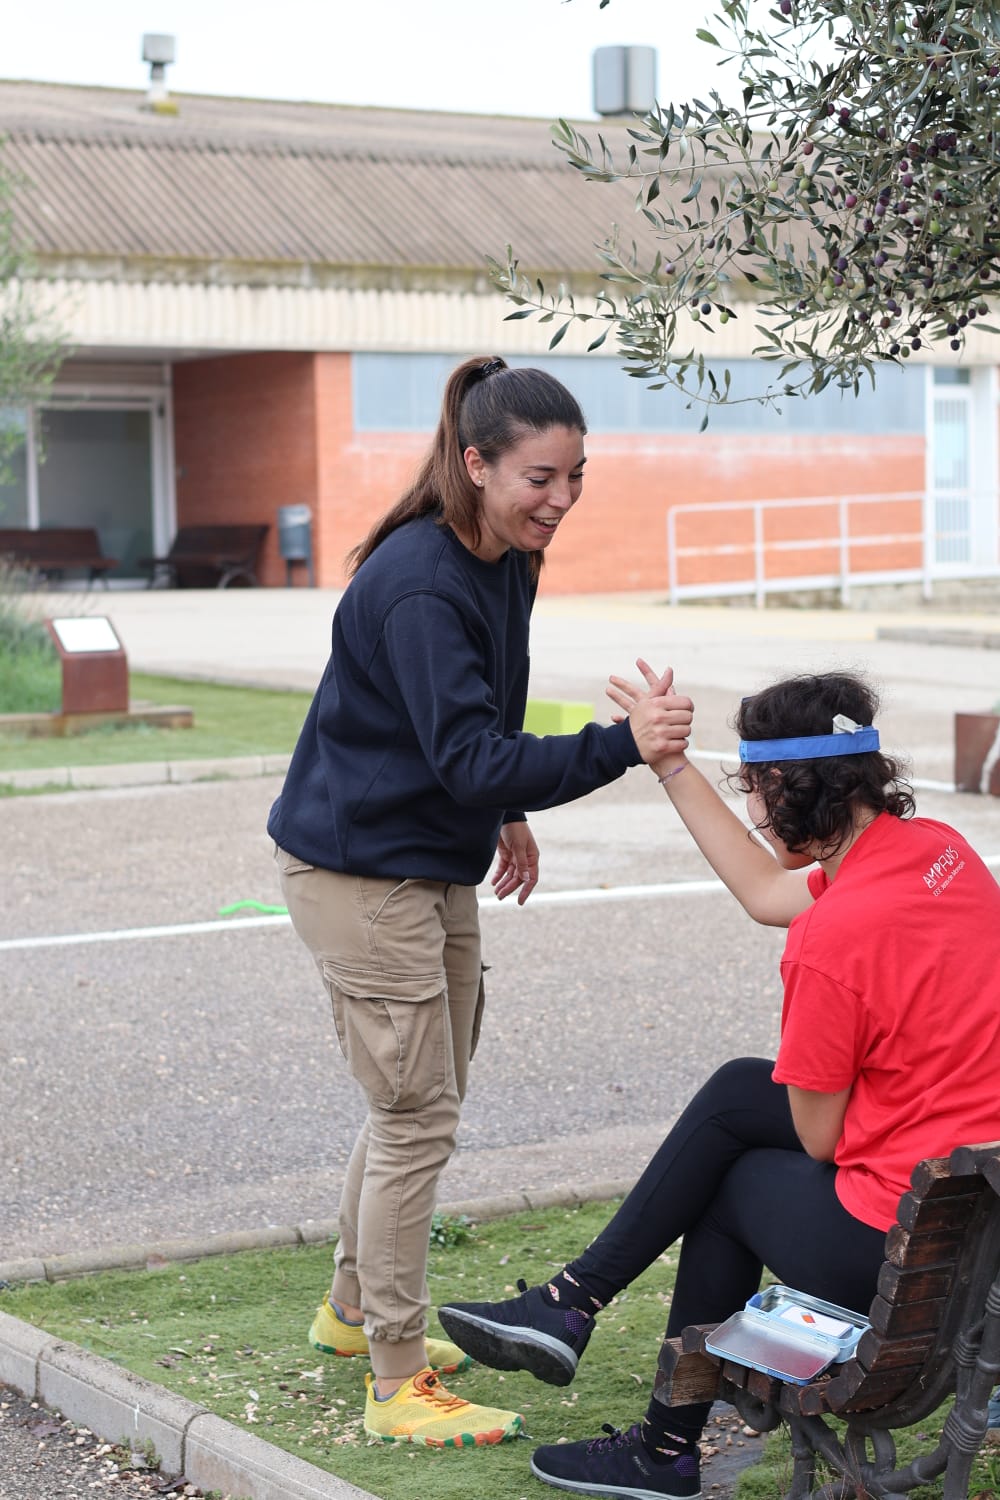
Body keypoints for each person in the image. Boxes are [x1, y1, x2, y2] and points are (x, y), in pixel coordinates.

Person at [438, 666, 1000, 1496]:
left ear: (785, 790)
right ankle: (571, 1303)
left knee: (728, 1185)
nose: (754, 814)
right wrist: (668, 764)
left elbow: (819, 1139)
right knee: (740, 1090)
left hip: (906, 1252)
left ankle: (660, 1443)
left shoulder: (831, 939)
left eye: (753, 792)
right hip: (981, 1216)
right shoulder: (939, 852)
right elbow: (767, 892)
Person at [266, 358, 692, 1450]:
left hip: (425, 859)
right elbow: (466, 752)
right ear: (476, 464)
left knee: (417, 1102)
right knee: (417, 1117)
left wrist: (505, 807)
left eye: (575, 477)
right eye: (540, 478)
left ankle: (352, 1309)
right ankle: (394, 1378)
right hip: (364, 875)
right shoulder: (421, 582)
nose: (561, 498)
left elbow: (476, 726)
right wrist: (621, 746)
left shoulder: (504, 557)